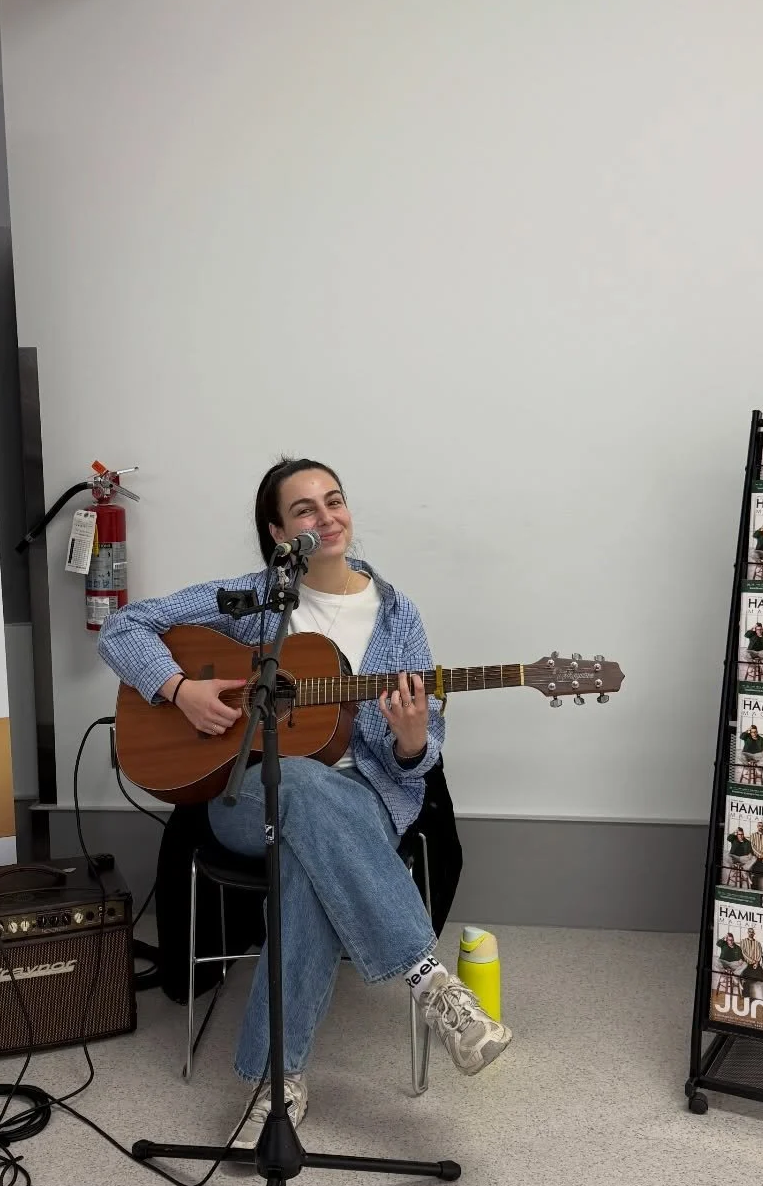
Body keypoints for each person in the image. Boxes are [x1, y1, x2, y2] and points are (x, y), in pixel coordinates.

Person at [98, 456, 510, 1145]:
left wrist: (412, 738)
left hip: (364, 798)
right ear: (278, 533)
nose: (327, 518)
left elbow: (417, 756)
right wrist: (180, 690)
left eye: (334, 501)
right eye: (305, 510)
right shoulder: (252, 599)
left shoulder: (398, 617)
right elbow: (124, 628)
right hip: (246, 794)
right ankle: (430, 981)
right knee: (297, 782)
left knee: (304, 858)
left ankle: (275, 1084)